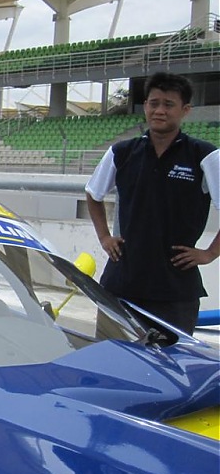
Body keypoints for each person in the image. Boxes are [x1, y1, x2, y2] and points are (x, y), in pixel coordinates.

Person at [85, 72, 219, 335]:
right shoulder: (122, 152)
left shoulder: (204, 156)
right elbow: (93, 194)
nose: (159, 110)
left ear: (185, 110)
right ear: (145, 106)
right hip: (122, 283)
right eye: (153, 103)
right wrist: (104, 237)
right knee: (111, 362)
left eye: (168, 104)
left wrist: (210, 253)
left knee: (171, 370)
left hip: (175, 289)